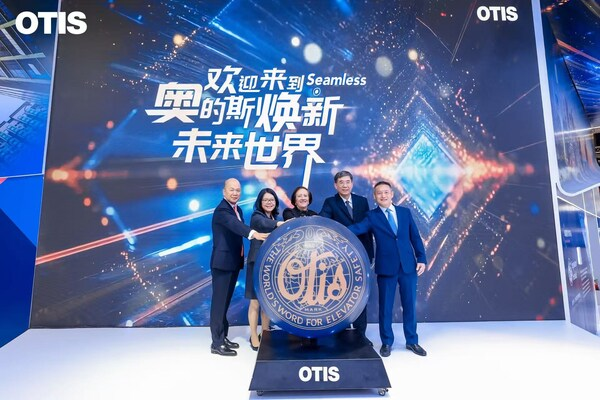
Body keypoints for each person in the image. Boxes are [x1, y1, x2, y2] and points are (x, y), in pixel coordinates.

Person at [348, 181, 427, 357]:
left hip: (408, 266)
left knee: (409, 305)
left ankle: (412, 341)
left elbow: (415, 236)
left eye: (386, 192)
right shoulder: (372, 216)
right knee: (385, 307)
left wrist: (421, 258)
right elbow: (357, 228)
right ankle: (386, 342)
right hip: (386, 268)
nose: (383, 195)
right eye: (379, 193)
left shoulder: (405, 212)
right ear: (374, 197)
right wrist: (334, 230)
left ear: (392, 194)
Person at [210, 178, 269, 357]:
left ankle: (223, 337)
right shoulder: (222, 210)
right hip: (222, 263)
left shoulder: (237, 209)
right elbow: (236, 226)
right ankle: (217, 343)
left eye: (237, 190)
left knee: (225, 302)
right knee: (219, 304)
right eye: (231, 190)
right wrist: (254, 233)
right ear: (224, 191)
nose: (235, 193)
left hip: (232, 262)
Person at [320, 171, 374, 345]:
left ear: (352, 183)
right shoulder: (330, 202)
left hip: (361, 255)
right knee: (339, 294)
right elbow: (324, 224)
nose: (345, 185)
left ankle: (360, 335)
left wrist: (370, 254)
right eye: (341, 182)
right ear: (335, 185)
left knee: (360, 295)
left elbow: (368, 228)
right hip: (339, 257)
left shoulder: (362, 201)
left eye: (347, 182)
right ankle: (340, 333)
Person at [246, 188, 286, 351]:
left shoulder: (274, 217)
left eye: (272, 200)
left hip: (270, 265)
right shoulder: (257, 216)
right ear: (260, 202)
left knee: (267, 302)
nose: (269, 202)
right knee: (255, 302)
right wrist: (279, 224)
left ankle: (265, 333)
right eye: (265, 200)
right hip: (256, 263)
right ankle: (253, 337)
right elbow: (263, 224)